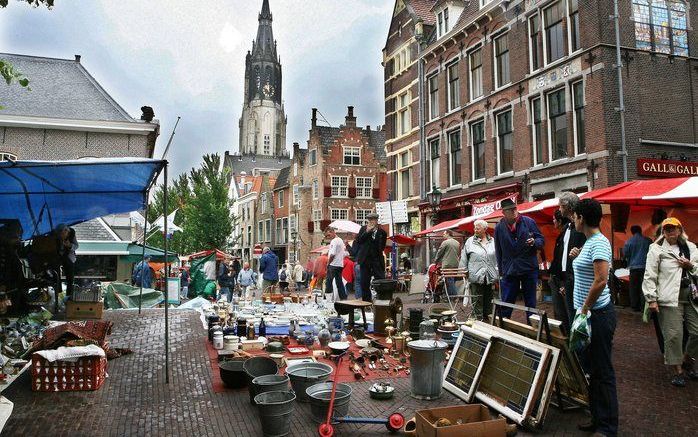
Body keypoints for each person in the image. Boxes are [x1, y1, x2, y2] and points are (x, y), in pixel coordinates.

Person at [571, 198, 618, 436]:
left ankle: (608, 427)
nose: (573, 219)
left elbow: (600, 280)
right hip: (590, 316)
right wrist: (579, 255)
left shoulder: (598, 243)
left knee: (602, 371)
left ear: (581, 218)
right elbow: (591, 270)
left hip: (597, 315)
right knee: (591, 370)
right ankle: (597, 418)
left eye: (575, 216)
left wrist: (584, 309)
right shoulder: (591, 243)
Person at [643, 217, 698, 387]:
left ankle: (686, 358)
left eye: (673, 229)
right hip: (668, 298)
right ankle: (678, 371)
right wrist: (651, 299)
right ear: (663, 232)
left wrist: (690, 266)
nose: (670, 232)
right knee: (673, 336)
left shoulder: (691, 248)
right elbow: (649, 275)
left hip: (691, 297)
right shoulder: (656, 250)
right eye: (667, 229)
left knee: (696, 332)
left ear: (680, 230)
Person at [494, 198, 544, 319]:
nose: (514, 211)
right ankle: (503, 326)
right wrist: (501, 271)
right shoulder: (499, 227)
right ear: (503, 213)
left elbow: (541, 240)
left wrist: (534, 242)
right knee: (507, 302)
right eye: (510, 210)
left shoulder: (528, 222)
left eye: (515, 208)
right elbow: (498, 251)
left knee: (531, 303)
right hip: (510, 270)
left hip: (529, 268)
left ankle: (532, 328)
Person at [558, 191, 587, 328]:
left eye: (560, 206)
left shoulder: (581, 227)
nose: (559, 209)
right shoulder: (567, 227)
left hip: (578, 277)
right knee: (570, 313)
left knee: (577, 313)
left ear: (567, 206)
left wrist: (580, 251)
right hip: (568, 277)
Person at [459, 219, 498, 320]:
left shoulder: (493, 241)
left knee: (489, 299)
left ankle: (488, 319)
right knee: (477, 299)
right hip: (475, 275)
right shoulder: (470, 241)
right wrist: (464, 271)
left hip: (490, 275)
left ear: (485, 229)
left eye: (478, 228)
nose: (475, 229)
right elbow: (464, 257)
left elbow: (498, 257)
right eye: (474, 227)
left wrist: (497, 270)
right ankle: (478, 320)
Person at [353, 212, 387, 302]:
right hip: (365, 259)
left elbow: (382, 247)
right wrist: (367, 232)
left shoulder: (382, 232)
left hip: (376, 260)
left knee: (380, 281)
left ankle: (381, 301)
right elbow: (359, 241)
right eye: (370, 220)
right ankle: (366, 303)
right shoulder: (363, 229)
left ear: (376, 221)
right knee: (364, 282)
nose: (371, 222)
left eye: (373, 220)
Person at [549, 210, 572, 332]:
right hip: (557, 278)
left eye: (554, 220)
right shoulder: (563, 235)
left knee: (562, 312)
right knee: (560, 312)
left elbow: (564, 260)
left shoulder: (568, 235)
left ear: (560, 221)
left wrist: (563, 281)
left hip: (561, 279)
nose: (553, 222)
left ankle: (566, 338)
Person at [624, 225, 652, 312]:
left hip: (633, 268)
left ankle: (634, 306)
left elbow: (625, 254)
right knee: (644, 287)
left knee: (633, 287)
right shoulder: (648, 240)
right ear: (641, 231)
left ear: (632, 232)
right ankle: (643, 306)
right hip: (645, 267)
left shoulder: (628, 242)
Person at [435, 230, 461, 296]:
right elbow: (459, 253)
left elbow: (439, 253)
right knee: (452, 280)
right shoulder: (457, 243)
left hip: (447, 264)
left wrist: (436, 261)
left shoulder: (445, 242)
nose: (443, 235)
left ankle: (454, 296)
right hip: (456, 264)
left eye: (444, 234)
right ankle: (450, 295)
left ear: (448, 234)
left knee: (449, 280)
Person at [325, 227, 347, 300]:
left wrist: (328, 263)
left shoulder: (334, 241)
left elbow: (332, 254)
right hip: (339, 265)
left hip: (333, 265)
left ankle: (328, 300)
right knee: (339, 283)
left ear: (333, 232)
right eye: (327, 236)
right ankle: (343, 299)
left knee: (328, 282)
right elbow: (344, 253)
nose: (328, 237)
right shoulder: (340, 240)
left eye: (328, 235)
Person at [56, 224, 78, 298]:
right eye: (61, 234)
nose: (64, 235)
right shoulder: (55, 236)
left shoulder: (71, 234)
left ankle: (69, 295)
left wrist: (70, 245)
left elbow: (76, 246)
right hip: (58, 255)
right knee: (56, 272)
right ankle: (58, 292)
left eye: (65, 234)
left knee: (70, 277)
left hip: (69, 256)